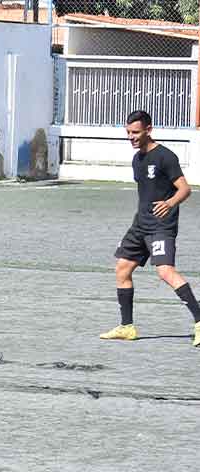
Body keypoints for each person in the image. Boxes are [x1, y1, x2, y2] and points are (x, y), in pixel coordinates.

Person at [101, 109, 200, 347]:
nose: (131, 137)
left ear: (148, 130)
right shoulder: (138, 159)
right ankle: (127, 327)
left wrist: (169, 203)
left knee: (165, 271)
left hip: (161, 226)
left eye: (135, 132)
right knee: (122, 269)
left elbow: (185, 189)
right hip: (140, 225)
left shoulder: (165, 156)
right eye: (128, 133)